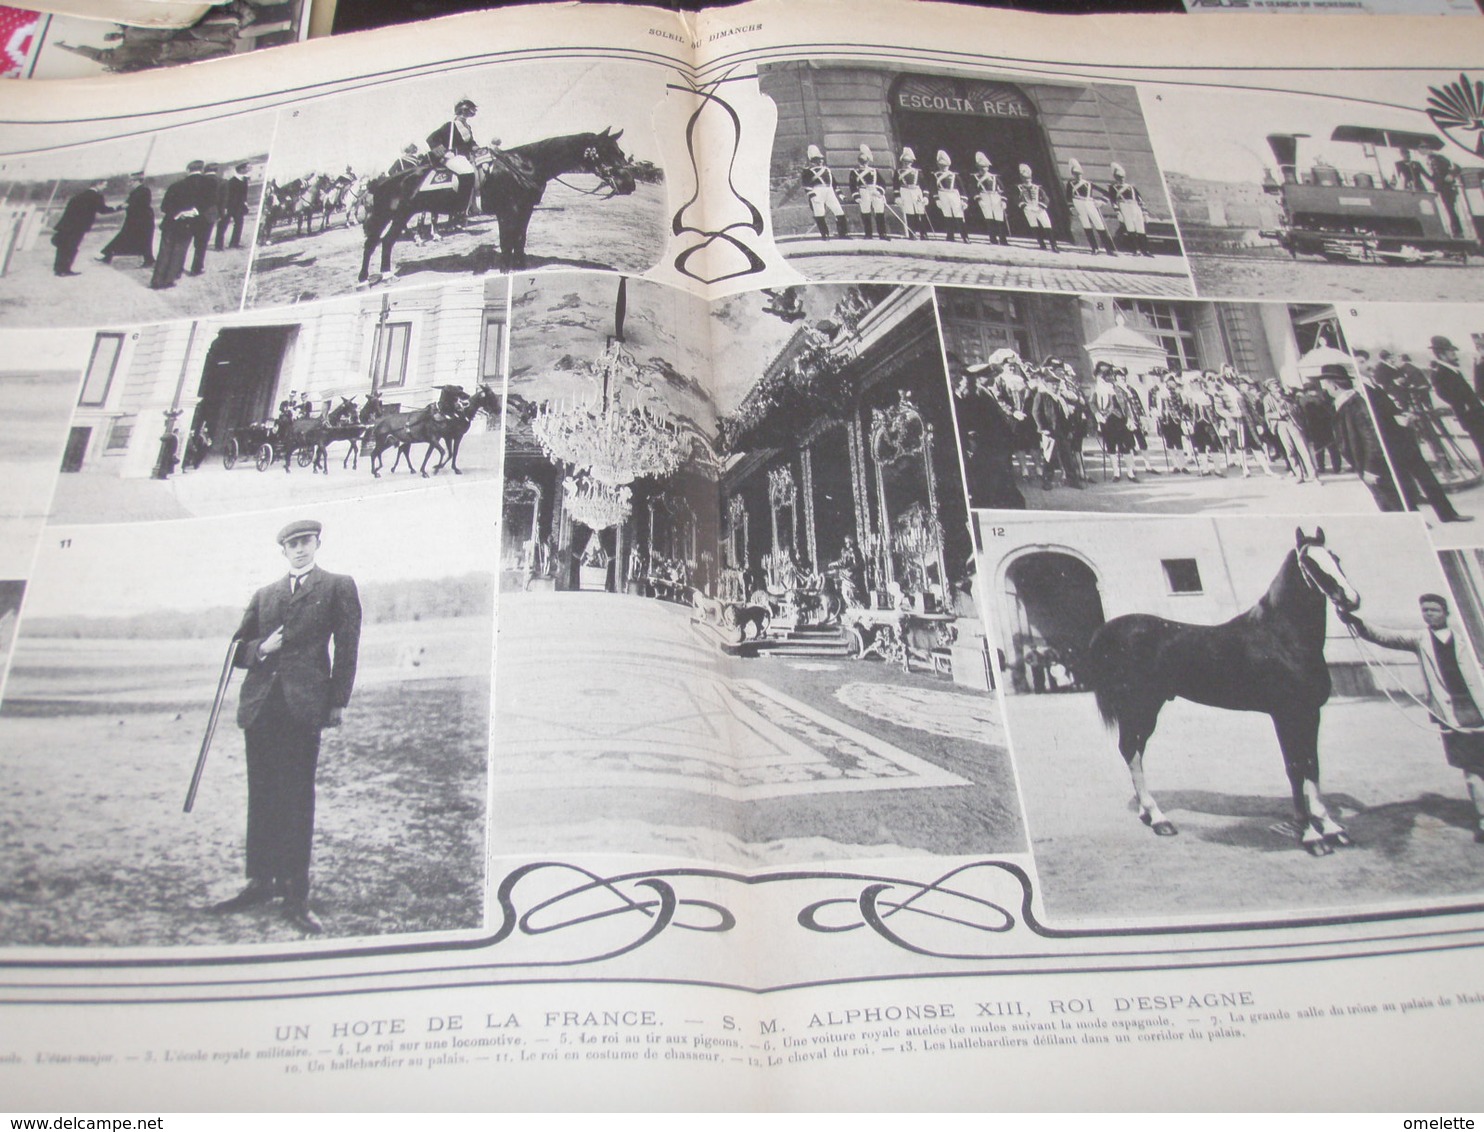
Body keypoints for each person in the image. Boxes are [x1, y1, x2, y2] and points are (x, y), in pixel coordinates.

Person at [211, 519, 362, 934]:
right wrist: (263, 647)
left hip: (304, 708)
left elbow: (347, 648)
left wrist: (337, 702)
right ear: (283, 550)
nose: (299, 549)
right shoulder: (265, 595)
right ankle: (260, 882)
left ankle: (296, 893)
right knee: (262, 794)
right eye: (291, 544)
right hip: (261, 709)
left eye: (305, 541)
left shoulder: (337, 586)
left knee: (296, 798)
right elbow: (236, 651)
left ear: (316, 543)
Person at [1339, 593, 1484, 844]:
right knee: (1472, 770)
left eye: (1434, 610)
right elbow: (1384, 636)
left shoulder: (1468, 637)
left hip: (1479, 706)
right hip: (1453, 713)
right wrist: (1354, 621)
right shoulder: (1420, 639)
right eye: (1425, 610)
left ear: (1446, 612)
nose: (1428, 614)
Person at [1357, 350, 1471, 524]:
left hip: (1403, 438)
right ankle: (1416, 520)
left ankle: (1447, 514)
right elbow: (1373, 419)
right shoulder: (1363, 390)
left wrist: (1403, 415)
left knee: (1427, 477)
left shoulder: (1374, 384)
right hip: (1390, 443)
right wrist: (1397, 420)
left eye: (1365, 361)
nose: (1367, 365)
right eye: (1361, 362)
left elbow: (1390, 407)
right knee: (1404, 483)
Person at [1321, 363, 1403, 511]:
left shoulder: (1355, 404)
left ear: (1334, 386)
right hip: (1363, 463)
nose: (1324, 389)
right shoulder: (1345, 403)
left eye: (1325, 385)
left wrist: (1371, 468)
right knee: (1384, 499)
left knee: (1391, 500)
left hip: (1372, 465)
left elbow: (1372, 438)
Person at [152, 160, 206, 290]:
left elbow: (164, 207)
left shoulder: (175, 186)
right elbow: (208, 204)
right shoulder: (206, 186)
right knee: (179, 252)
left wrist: (178, 213)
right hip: (189, 224)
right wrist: (193, 212)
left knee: (164, 252)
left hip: (171, 223)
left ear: (188, 170)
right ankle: (169, 280)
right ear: (202, 169)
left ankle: (157, 281)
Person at [426, 98, 481, 221]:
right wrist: (443, 153)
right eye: (468, 111)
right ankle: (459, 207)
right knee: (468, 172)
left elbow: (470, 143)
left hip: (465, 157)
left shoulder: (467, 127)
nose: (468, 114)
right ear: (462, 111)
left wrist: (477, 148)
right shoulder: (449, 125)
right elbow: (431, 138)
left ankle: (471, 206)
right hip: (451, 157)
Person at [51, 180, 114, 276]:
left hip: (66, 225)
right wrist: (119, 207)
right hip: (79, 227)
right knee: (72, 248)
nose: (105, 187)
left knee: (63, 247)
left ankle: (58, 269)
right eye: (104, 185)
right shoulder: (97, 196)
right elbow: (103, 210)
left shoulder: (79, 195)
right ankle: (65, 270)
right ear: (98, 184)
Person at [98, 175, 154, 266]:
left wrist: (123, 206)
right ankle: (108, 255)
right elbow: (127, 203)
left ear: (138, 181)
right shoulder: (135, 191)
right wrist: (118, 207)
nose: (130, 183)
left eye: (132, 181)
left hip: (143, 220)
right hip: (135, 219)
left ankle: (149, 260)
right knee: (125, 237)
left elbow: (134, 204)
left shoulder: (144, 190)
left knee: (143, 239)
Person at [1066, 158, 1117, 255]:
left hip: (1089, 204)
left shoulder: (1088, 184)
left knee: (1099, 225)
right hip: (1078, 204)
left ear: (1082, 173)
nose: (1078, 176)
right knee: (1086, 226)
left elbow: (1107, 193)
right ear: (1073, 174)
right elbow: (1068, 197)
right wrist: (1072, 208)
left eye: (1079, 174)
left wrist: (1101, 201)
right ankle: (1094, 248)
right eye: (1075, 174)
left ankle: (1109, 249)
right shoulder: (1070, 184)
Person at [1106, 162, 1154, 256]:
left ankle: (1145, 251)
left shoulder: (1131, 187)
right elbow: (1113, 201)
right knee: (1130, 229)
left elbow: (1140, 200)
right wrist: (1118, 212)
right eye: (1119, 177)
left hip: (1135, 207)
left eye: (1122, 177)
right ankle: (1135, 250)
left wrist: (1145, 213)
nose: (1121, 179)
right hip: (1124, 207)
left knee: (1141, 229)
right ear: (1115, 177)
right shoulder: (1113, 188)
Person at [802, 144, 846, 240]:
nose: (821, 160)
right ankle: (825, 235)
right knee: (819, 213)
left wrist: (840, 194)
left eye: (821, 158)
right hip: (817, 192)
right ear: (813, 160)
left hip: (829, 191)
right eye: (818, 159)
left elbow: (834, 183)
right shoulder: (807, 171)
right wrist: (812, 195)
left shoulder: (827, 170)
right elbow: (806, 184)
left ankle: (843, 234)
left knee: (839, 211)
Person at [848, 145, 889, 241]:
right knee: (865, 213)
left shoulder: (874, 171)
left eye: (865, 161)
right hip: (863, 192)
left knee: (879, 212)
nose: (864, 163)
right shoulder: (854, 172)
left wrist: (879, 191)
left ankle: (882, 233)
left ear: (868, 161)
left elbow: (882, 183)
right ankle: (868, 234)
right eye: (862, 161)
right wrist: (856, 196)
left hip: (875, 192)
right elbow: (853, 186)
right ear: (858, 161)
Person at [187, 162, 221, 276]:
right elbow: (214, 200)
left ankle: (177, 269)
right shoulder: (211, 181)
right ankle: (197, 268)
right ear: (201, 169)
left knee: (185, 242)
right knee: (201, 244)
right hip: (206, 216)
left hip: (190, 216)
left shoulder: (186, 182)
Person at [1016, 163, 1057, 252]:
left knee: (1047, 225)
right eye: (1025, 179)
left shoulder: (1037, 187)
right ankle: (1042, 244)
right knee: (1034, 226)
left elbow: (1046, 198)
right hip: (1028, 209)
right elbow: (1017, 199)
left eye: (1028, 179)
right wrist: (1023, 206)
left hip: (1039, 208)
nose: (1027, 180)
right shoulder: (1019, 188)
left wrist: (1042, 206)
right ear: (1022, 178)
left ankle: (1054, 245)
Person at [970, 152, 1009, 246]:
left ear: (988, 167)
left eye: (985, 167)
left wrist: (1003, 200)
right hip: (984, 197)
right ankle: (993, 239)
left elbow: (1002, 189)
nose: (983, 169)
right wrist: (978, 199)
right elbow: (973, 189)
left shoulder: (994, 177)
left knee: (999, 218)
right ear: (978, 167)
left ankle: (1003, 239)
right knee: (989, 219)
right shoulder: (975, 177)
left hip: (996, 197)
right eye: (981, 167)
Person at [931, 150, 969, 243]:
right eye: (941, 165)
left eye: (945, 166)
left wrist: (964, 200)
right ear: (938, 165)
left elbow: (962, 188)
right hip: (942, 195)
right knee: (947, 215)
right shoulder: (935, 175)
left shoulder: (954, 175)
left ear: (949, 165)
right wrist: (937, 199)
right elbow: (933, 188)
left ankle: (964, 236)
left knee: (959, 215)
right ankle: (950, 236)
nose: (943, 167)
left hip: (954, 195)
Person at [892, 147, 928, 240]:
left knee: (920, 212)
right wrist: (897, 197)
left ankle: (923, 233)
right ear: (902, 161)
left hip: (916, 192)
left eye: (909, 162)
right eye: (905, 161)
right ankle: (912, 233)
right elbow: (895, 186)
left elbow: (924, 185)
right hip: (905, 192)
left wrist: (926, 196)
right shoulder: (898, 172)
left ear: (912, 162)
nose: (907, 164)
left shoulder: (917, 172)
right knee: (909, 213)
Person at [215, 163, 251, 251]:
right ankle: (218, 246)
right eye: (247, 168)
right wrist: (225, 208)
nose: (248, 169)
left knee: (239, 224)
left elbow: (244, 194)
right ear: (241, 169)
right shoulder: (231, 182)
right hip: (229, 207)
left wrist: (245, 203)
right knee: (223, 225)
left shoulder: (244, 180)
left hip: (239, 207)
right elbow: (226, 196)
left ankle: (234, 243)